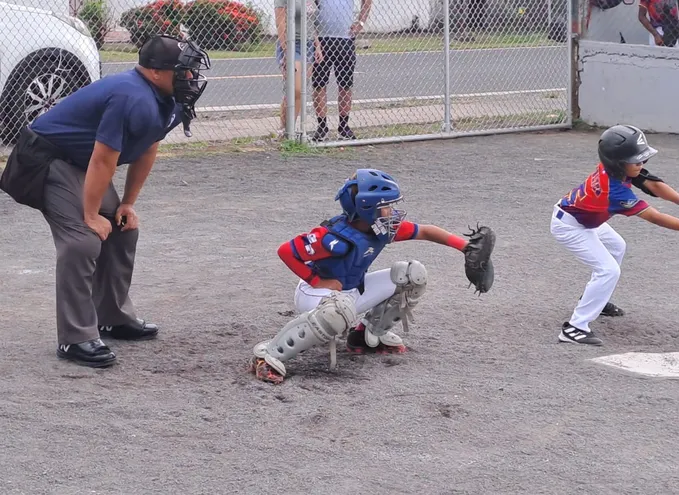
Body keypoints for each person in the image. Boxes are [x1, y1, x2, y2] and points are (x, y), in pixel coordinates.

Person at [0, 35, 211, 368]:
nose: (190, 77)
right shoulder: (131, 96)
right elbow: (102, 159)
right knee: (82, 241)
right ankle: (76, 339)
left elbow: (148, 145)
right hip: (43, 159)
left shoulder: (166, 98)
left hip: (78, 160)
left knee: (122, 229)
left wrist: (127, 203)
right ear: (155, 72)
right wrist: (89, 213)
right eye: (182, 71)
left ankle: (112, 317)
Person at [250, 168, 489, 383]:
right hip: (315, 294)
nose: (392, 211)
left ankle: (364, 336)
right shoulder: (332, 238)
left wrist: (465, 247)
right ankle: (268, 354)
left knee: (411, 274)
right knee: (337, 311)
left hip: (349, 292)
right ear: (366, 208)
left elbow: (425, 231)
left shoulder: (381, 228)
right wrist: (316, 280)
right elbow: (286, 251)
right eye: (386, 205)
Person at [549, 125, 679, 346]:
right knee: (608, 270)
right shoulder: (614, 191)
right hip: (570, 225)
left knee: (617, 246)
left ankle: (597, 300)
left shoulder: (618, 170)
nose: (641, 165)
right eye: (636, 161)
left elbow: (652, 184)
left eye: (643, 160)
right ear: (618, 162)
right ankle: (575, 328)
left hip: (585, 218)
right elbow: (654, 217)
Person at [311, 0, 373, 141]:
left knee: (345, 84)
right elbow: (309, 9)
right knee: (319, 84)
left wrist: (360, 23)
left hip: (345, 39)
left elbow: (367, 2)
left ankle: (343, 126)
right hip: (321, 40)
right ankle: (322, 127)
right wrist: (314, 38)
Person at [275, 0, 323, 137]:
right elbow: (280, 23)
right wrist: (286, 51)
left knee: (301, 89)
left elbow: (311, 24)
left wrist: (317, 46)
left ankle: (290, 129)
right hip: (291, 43)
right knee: (294, 88)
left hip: (308, 46)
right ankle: (283, 128)